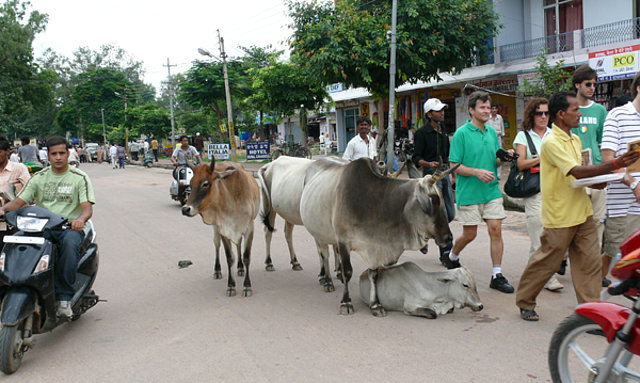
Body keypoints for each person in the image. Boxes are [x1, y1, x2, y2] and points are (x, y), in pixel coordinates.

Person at [515, 91, 640, 321]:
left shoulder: (574, 138)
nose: (580, 114)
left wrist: (603, 180)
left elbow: (582, 176)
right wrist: (614, 163)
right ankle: (525, 300)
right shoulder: (551, 142)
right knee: (547, 263)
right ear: (561, 115)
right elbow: (576, 171)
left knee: (590, 265)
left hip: (582, 212)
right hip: (560, 216)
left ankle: (591, 313)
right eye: (576, 110)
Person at [0, 136, 95, 318]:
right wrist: (3, 209)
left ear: (68, 154)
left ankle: (64, 298)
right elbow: (19, 201)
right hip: (42, 228)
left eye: (61, 153)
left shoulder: (79, 178)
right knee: (15, 242)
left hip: (68, 228)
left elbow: (87, 209)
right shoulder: (39, 177)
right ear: (48, 156)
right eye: (54, 154)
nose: (58, 157)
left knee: (69, 244)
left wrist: (80, 220)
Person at [447, 91, 515, 293]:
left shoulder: (492, 132)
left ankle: (497, 275)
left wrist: (506, 156)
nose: (487, 111)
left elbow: (495, 159)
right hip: (469, 192)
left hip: (491, 190)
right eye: (482, 107)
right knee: (470, 234)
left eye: (488, 107)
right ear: (471, 110)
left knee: (496, 229)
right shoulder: (461, 134)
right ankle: (451, 257)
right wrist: (476, 172)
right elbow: (454, 165)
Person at [513, 98, 563, 292]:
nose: (543, 117)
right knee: (538, 237)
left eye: (546, 113)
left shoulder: (555, 134)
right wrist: (542, 158)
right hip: (535, 191)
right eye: (539, 113)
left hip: (556, 191)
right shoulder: (523, 136)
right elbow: (520, 163)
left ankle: (531, 276)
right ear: (531, 115)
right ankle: (547, 278)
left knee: (549, 236)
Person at [570, 65, 609, 284]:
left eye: (595, 84)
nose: (592, 88)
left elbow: (604, 142)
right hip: (575, 173)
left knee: (598, 222)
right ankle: (568, 260)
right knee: (576, 223)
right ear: (577, 85)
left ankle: (594, 267)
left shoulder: (600, 111)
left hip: (596, 173)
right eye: (588, 84)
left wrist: (606, 169)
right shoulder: (570, 107)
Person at [601, 72, 640, 282]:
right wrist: (633, 183)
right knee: (612, 255)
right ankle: (590, 304)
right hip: (623, 207)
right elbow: (609, 161)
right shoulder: (617, 116)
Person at [412, 98, 455, 263]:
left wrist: (452, 176)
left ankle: (426, 232)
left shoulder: (444, 131)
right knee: (441, 214)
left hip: (444, 175)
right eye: (438, 111)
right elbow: (416, 158)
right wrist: (428, 163)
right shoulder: (421, 133)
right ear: (429, 114)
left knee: (450, 213)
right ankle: (446, 253)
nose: (442, 113)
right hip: (430, 177)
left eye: (443, 110)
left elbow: (448, 155)